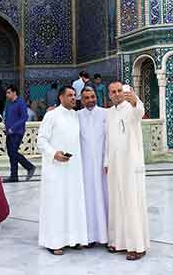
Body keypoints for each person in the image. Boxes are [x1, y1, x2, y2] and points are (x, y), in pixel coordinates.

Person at [37, 86, 88, 255]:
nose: (74, 98)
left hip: (73, 169)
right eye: (70, 95)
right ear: (61, 98)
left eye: (75, 95)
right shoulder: (51, 115)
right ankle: (54, 242)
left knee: (73, 203)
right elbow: (41, 141)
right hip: (56, 168)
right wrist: (54, 154)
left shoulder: (76, 115)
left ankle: (74, 239)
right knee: (57, 204)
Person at [105, 81, 149, 261]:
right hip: (114, 165)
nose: (116, 94)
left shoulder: (131, 108)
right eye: (113, 92)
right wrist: (106, 162)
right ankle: (118, 242)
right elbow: (108, 140)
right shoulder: (108, 113)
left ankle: (137, 246)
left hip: (131, 164)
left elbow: (140, 111)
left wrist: (135, 100)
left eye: (118, 91)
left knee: (131, 201)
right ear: (109, 95)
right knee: (116, 202)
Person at [78, 86, 108, 246]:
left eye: (93, 97)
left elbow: (110, 139)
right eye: (87, 97)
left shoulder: (105, 114)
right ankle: (89, 237)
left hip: (103, 166)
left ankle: (106, 235)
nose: (90, 100)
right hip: (85, 166)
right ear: (81, 100)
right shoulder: (77, 116)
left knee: (104, 198)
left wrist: (108, 160)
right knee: (88, 199)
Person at [3, 85, 36, 183]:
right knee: (11, 153)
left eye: (9, 92)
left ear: (14, 92)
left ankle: (29, 167)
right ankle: (14, 176)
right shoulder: (8, 103)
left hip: (17, 132)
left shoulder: (20, 102)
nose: (7, 95)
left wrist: (13, 128)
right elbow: (7, 116)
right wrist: (6, 126)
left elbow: (24, 117)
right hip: (9, 132)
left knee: (13, 152)